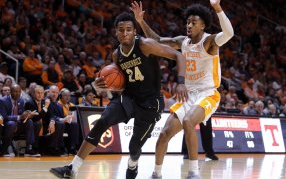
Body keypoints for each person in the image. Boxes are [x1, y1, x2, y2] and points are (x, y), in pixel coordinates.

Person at [50, 12, 187, 179]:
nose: (125, 33)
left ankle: (132, 165)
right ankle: (72, 169)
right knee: (102, 122)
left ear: (134, 31)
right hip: (128, 98)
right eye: (121, 30)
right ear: (116, 32)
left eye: (129, 29)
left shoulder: (145, 44)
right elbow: (119, 81)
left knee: (134, 146)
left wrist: (180, 82)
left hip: (150, 103)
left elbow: (178, 55)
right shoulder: (117, 54)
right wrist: (101, 85)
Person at [131, 0, 234, 178]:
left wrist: (217, 7)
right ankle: (157, 174)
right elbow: (156, 40)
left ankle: (194, 172)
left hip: (208, 93)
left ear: (203, 26)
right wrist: (140, 21)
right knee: (164, 134)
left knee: (188, 121)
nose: (189, 25)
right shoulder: (183, 41)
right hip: (188, 95)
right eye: (188, 22)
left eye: (194, 23)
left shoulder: (209, 41)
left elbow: (229, 33)